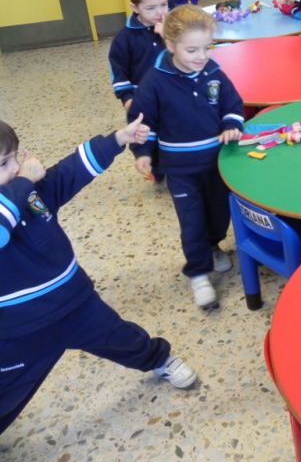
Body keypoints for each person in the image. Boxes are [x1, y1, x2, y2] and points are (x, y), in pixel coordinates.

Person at [0, 115, 198, 434]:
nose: (14, 168)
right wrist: (23, 181)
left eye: (13, 159)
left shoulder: (28, 194)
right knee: (7, 391)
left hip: (77, 306)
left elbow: (69, 173)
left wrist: (118, 139)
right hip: (21, 331)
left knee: (123, 339)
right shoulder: (20, 189)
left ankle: (158, 360)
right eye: (3, 164)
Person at [128, 6, 244, 310]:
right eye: (192, 50)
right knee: (191, 222)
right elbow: (143, 122)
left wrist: (231, 125)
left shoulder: (213, 72)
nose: (201, 56)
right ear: (170, 45)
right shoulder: (155, 81)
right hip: (180, 169)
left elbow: (233, 104)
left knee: (218, 213)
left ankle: (213, 246)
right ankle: (198, 273)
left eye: (207, 47)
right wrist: (142, 153)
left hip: (217, 163)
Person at [108, 0, 169, 111]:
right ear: (135, 8)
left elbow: (185, 58)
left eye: (163, 4)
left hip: (174, 95)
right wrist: (128, 100)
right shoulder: (123, 39)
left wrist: (168, 37)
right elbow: (118, 72)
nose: (160, 12)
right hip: (144, 99)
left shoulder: (174, 28)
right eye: (151, 8)